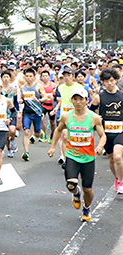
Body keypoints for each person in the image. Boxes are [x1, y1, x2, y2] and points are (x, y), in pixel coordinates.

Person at [49, 88, 106, 222]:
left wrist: (100, 146)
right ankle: (76, 193)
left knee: (88, 189)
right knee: (71, 184)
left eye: (81, 99)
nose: (78, 102)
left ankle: (86, 207)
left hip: (88, 158)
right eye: (75, 99)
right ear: (72, 100)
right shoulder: (66, 116)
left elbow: (102, 135)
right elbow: (58, 130)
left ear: (87, 101)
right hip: (72, 156)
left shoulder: (94, 118)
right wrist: (52, 147)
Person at [89, 68, 123, 193]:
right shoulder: (99, 97)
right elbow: (90, 113)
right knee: (112, 159)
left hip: (120, 131)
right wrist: (97, 118)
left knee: (118, 156)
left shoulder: (122, 96)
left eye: (112, 80)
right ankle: (117, 178)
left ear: (116, 81)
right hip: (106, 132)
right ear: (102, 82)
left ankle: (120, 181)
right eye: (107, 81)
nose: (110, 83)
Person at [19, 68, 48, 161]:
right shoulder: (23, 87)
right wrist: (21, 100)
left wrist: (39, 100)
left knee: (37, 134)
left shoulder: (38, 86)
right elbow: (23, 98)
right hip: (27, 112)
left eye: (30, 76)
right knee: (26, 132)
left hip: (37, 113)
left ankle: (40, 133)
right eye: (27, 76)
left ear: (34, 77)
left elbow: (45, 97)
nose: (28, 78)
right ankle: (26, 152)